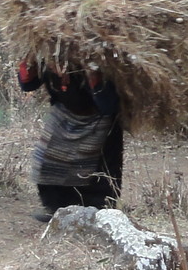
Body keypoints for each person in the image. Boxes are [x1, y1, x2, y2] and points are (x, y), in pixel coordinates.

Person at [19, 61, 123, 223]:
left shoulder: (96, 56)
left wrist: (93, 75)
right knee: (47, 161)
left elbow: (108, 105)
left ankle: (98, 217)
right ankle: (58, 211)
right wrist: (28, 65)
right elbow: (28, 85)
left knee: (97, 173)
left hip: (99, 118)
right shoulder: (45, 52)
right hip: (64, 114)